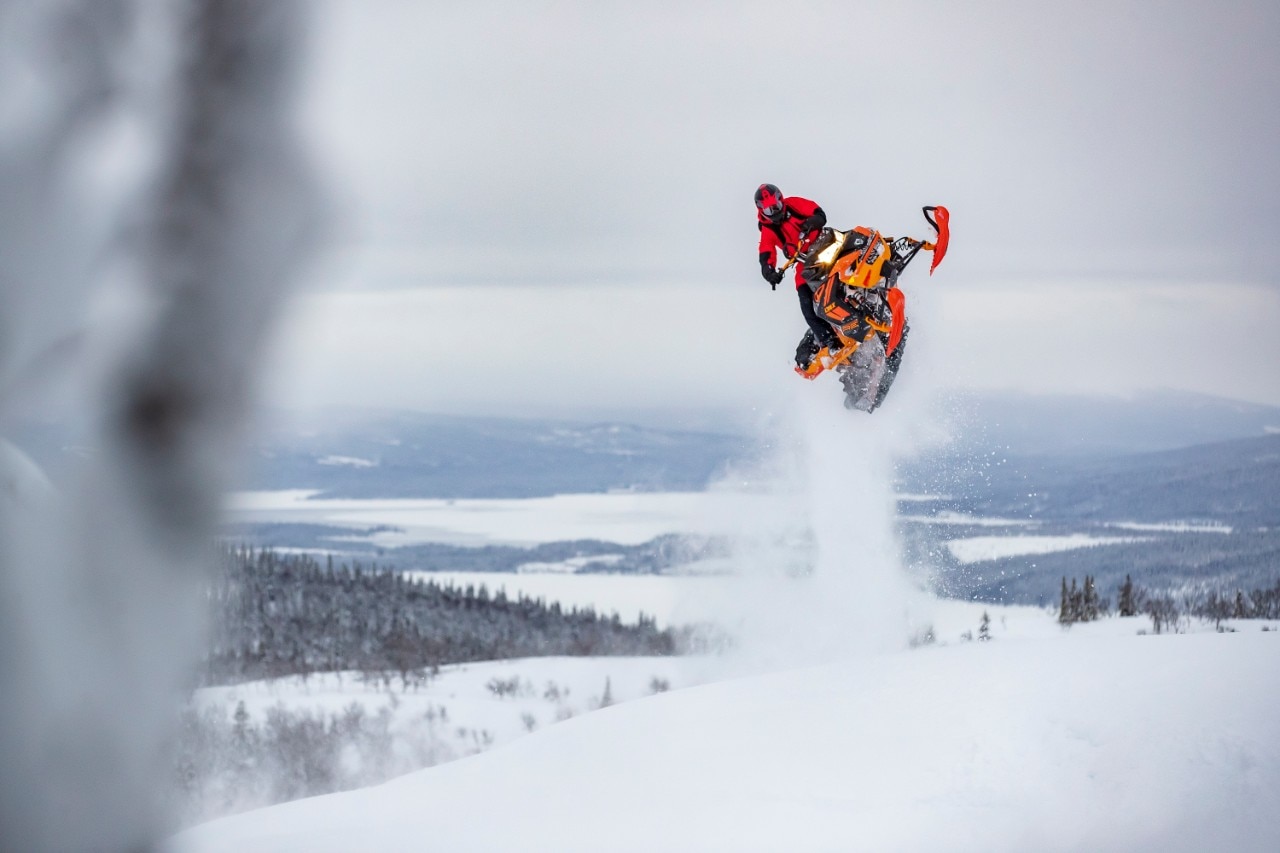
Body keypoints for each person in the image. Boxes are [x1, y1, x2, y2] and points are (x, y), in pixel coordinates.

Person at [754, 183, 841, 360]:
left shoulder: (794, 204)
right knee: (807, 306)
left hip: (825, 246)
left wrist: (811, 222)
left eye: (776, 206)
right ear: (762, 211)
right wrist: (770, 272)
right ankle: (831, 342)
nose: (775, 212)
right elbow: (766, 252)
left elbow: (819, 214)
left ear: (781, 200)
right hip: (804, 263)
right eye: (769, 210)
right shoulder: (767, 229)